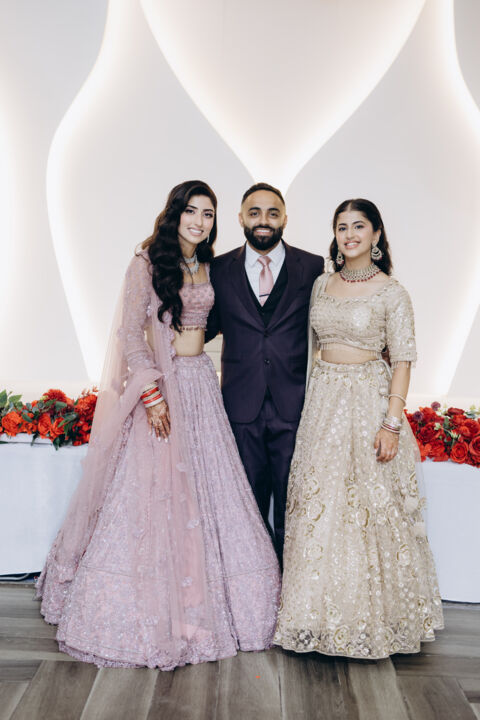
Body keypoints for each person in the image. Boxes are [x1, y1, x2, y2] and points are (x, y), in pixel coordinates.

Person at [37, 180, 281, 670]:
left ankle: (219, 609)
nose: (199, 221)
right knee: (157, 496)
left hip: (201, 386)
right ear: (174, 213)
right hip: (163, 391)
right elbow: (130, 333)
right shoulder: (147, 264)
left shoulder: (210, 265)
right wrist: (151, 396)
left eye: (208, 214)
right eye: (191, 211)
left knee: (212, 493)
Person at [274, 199, 444, 659]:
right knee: (319, 504)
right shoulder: (322, 284)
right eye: (342, 227)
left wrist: (392, 423)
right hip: (323, 400)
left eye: (359, 226)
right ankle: (313, 616)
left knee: (370, 508)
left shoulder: (392, 292)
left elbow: (403, 361)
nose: (349, 235)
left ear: (376, 234)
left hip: (369, 399)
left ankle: (374, 619)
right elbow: (309, 347)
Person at [206, 183, 324, 562]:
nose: (263, 220)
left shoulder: (313, 267)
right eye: (254, 212)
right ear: (240, 218)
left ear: (285, 219)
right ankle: (254, 584)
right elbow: (201, 327)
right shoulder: (217, 269)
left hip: (296, 406)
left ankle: (292, 584)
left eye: (273, 213)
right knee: (247, 509)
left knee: (294, 508)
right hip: (240, 407)